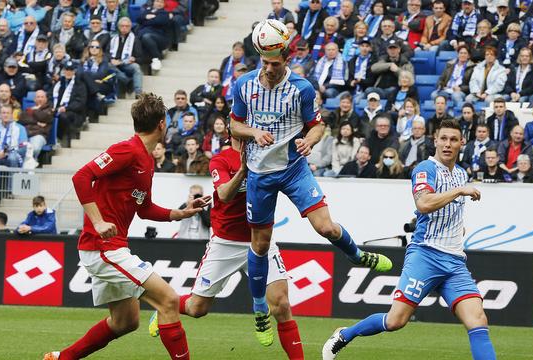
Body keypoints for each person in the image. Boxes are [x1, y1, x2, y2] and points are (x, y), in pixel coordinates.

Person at [230, 19, 392, 347]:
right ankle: (260, 307)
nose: (270, 69)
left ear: (286, 59)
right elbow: (233, 126)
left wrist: (311, 141)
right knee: (260, 244)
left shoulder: (301, 88)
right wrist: (253, 132)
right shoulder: (245, 85)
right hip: (259, 174)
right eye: (265, 63)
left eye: (275, 64)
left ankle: (357, 255)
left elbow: (317, 126)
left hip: (293, 169)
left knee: (327, 228)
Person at [43, 93, 212, 360]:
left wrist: (179, 213)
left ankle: (61, 358)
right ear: (161, 124)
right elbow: (81, 177)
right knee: (168, 300)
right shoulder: (127, 150)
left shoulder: (145, 159)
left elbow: (144, 209)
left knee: (125, 321)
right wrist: (97, 221)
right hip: (103, 248)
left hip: (110, 248)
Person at [323, 119, 495, 360]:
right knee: (395, 321)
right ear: (435, 140)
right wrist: (459, 191)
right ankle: (345, 334)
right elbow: (423, 203)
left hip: (455, 263)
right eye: (443, 139)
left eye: (453, 139)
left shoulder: (460, 173)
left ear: (462, 143)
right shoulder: (426, 169)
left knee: (478, 320)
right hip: (425, 256)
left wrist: (457, 227)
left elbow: (450, 210)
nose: (448, 144)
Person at [150, 135, 304, 359]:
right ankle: (166, 307)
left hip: (261, 239)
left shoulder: (268, 157)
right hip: (226, 243)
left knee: (281, 304)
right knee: (196, 309)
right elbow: (223, 194)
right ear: (234, 133)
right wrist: (243, 169)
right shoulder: (221, 161)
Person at [109, 17, 143, 99]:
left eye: (127, 26)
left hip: (127, 64)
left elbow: (141, 58)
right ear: (119, 27)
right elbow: (106, 53)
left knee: (136, 67)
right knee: (107, 65)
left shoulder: (135, 39)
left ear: (130, 27)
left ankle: (138, 92)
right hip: (114, 64)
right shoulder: (112, 38)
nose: (124, 28)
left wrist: (134, 59)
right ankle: (127, 81)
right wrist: (111, 59)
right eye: (122, 26)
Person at [19, 90, 53, 160]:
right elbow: (22, 119)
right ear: (34, 99)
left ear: (46, 99)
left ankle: (28, 167)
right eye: (38, 97)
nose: (40, 99)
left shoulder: (50, 110)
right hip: (25, 135)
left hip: (39, 135)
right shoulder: (29, 109)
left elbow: (43, 117)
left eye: (42, 97)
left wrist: (35, 110)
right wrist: (37, 122)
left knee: (34, 149)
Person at [137, 0, 170, 72]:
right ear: (154, 2)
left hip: (160, 38)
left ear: (164, 4)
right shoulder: (147, 10)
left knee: (146, 37)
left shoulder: (165, 13)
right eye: (157, 1)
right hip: (145, 34)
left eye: (161, 2)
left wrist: (145, 20)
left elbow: (158, 21)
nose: (159, 4)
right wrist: (146, 16)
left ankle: (156, 58)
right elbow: (139, 19)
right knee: (142, 36)